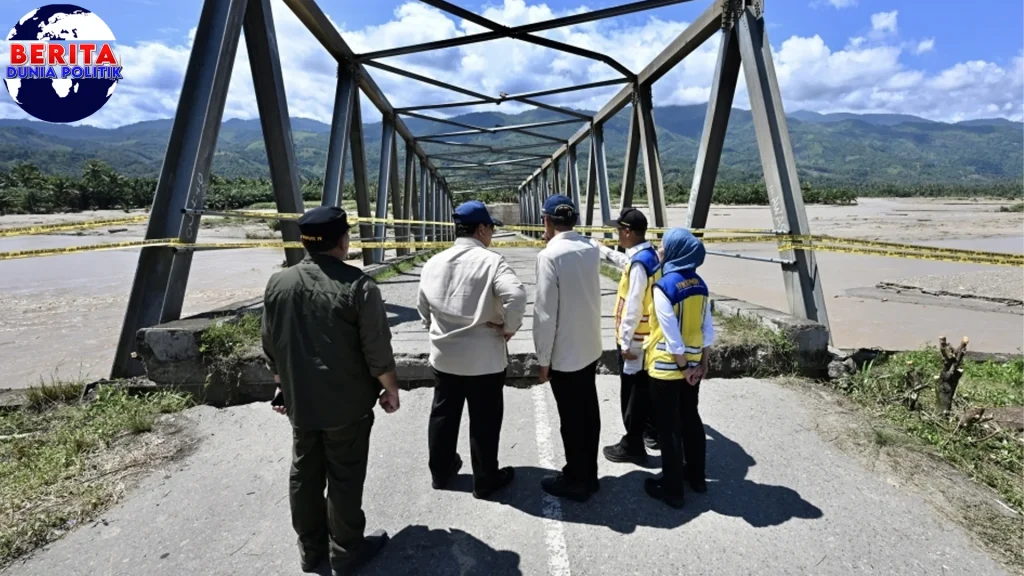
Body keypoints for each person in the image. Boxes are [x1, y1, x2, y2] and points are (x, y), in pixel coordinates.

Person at [261, 206, 399, 575]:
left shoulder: (278, 283)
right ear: (343, 240)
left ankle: (310, 549)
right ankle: (346, 550)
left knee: (304, 475)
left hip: (301, 403)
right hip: (346, 405)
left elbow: (271, 345)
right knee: (345, 476)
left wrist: (282, 389)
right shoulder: (359, 286)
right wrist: (390, 390)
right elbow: (377, 350)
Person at [416, 200, 527, 499]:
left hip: (445, 355)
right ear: (480, 228)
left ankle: (441, 472)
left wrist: (435, 327)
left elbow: (422, 307)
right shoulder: (492, 262)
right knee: (484, 419)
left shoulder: (434, 263)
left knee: (443, 414)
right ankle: (486, 479)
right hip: (484, 359)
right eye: (491, 227)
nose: (491, 234)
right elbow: (516, 296)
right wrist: (508, 327)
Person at [533, 194, 603, 502]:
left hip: (565, 354)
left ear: (547, 220)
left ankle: (576, 479)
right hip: (589, 346)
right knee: (589, 414)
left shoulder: (549, 256)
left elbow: (545, 314)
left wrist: (543, 359)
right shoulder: (590, 249)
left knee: (571, 420)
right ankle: (591, 474)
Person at [641, 228, 715, 509]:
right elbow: (707, 329)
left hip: (667, 368)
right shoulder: (701, 285)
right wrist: (702, 364)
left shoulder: (664, 286)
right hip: (694, 366)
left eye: (663, 245)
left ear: (675, 251)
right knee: (691, 420)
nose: (660, 249)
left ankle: (672, 489)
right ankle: (696, 477)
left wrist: (682, 367)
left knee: (669, 428)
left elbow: (671, 336)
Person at [602, 207, 661, 465]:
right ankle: (651, 432)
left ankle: (632, 444)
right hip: (649, 336)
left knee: (632, 392)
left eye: (618, 230)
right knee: (645, 389)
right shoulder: (650, 255)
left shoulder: (639, 265)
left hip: (635, 338)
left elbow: (632, 306)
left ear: (627, 232)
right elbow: (623, 262)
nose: (617, 234)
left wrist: (625, 343)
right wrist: (599, 250)